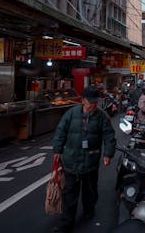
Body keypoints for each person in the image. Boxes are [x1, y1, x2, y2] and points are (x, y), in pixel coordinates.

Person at [52, 86, 116, 232]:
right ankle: (66, 224)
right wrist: (57, 149)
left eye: (96, 101)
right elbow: (61, 131)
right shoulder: (71, 113)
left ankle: (89, 210)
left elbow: (109, 136)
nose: (94, 104)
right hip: (71, 160)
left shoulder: (102, 116)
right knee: (69, 193)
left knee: (90, 190)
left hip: (91, 160)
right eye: (91, 101)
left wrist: (108, 154)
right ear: (83, 100)